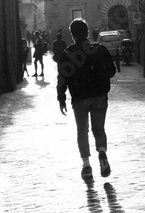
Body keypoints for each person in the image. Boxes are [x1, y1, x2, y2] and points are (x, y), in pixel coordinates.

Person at [57, 18, 116, 179]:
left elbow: (62, 79)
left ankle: (86, 166)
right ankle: (102, 152)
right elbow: (112, 70)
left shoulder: (68, 54)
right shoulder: (100, 49)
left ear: (72, 35)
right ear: (88, 32)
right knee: (99, 129)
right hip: (99, 95)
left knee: (82, 131)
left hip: (79, 97)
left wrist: (61, 99)